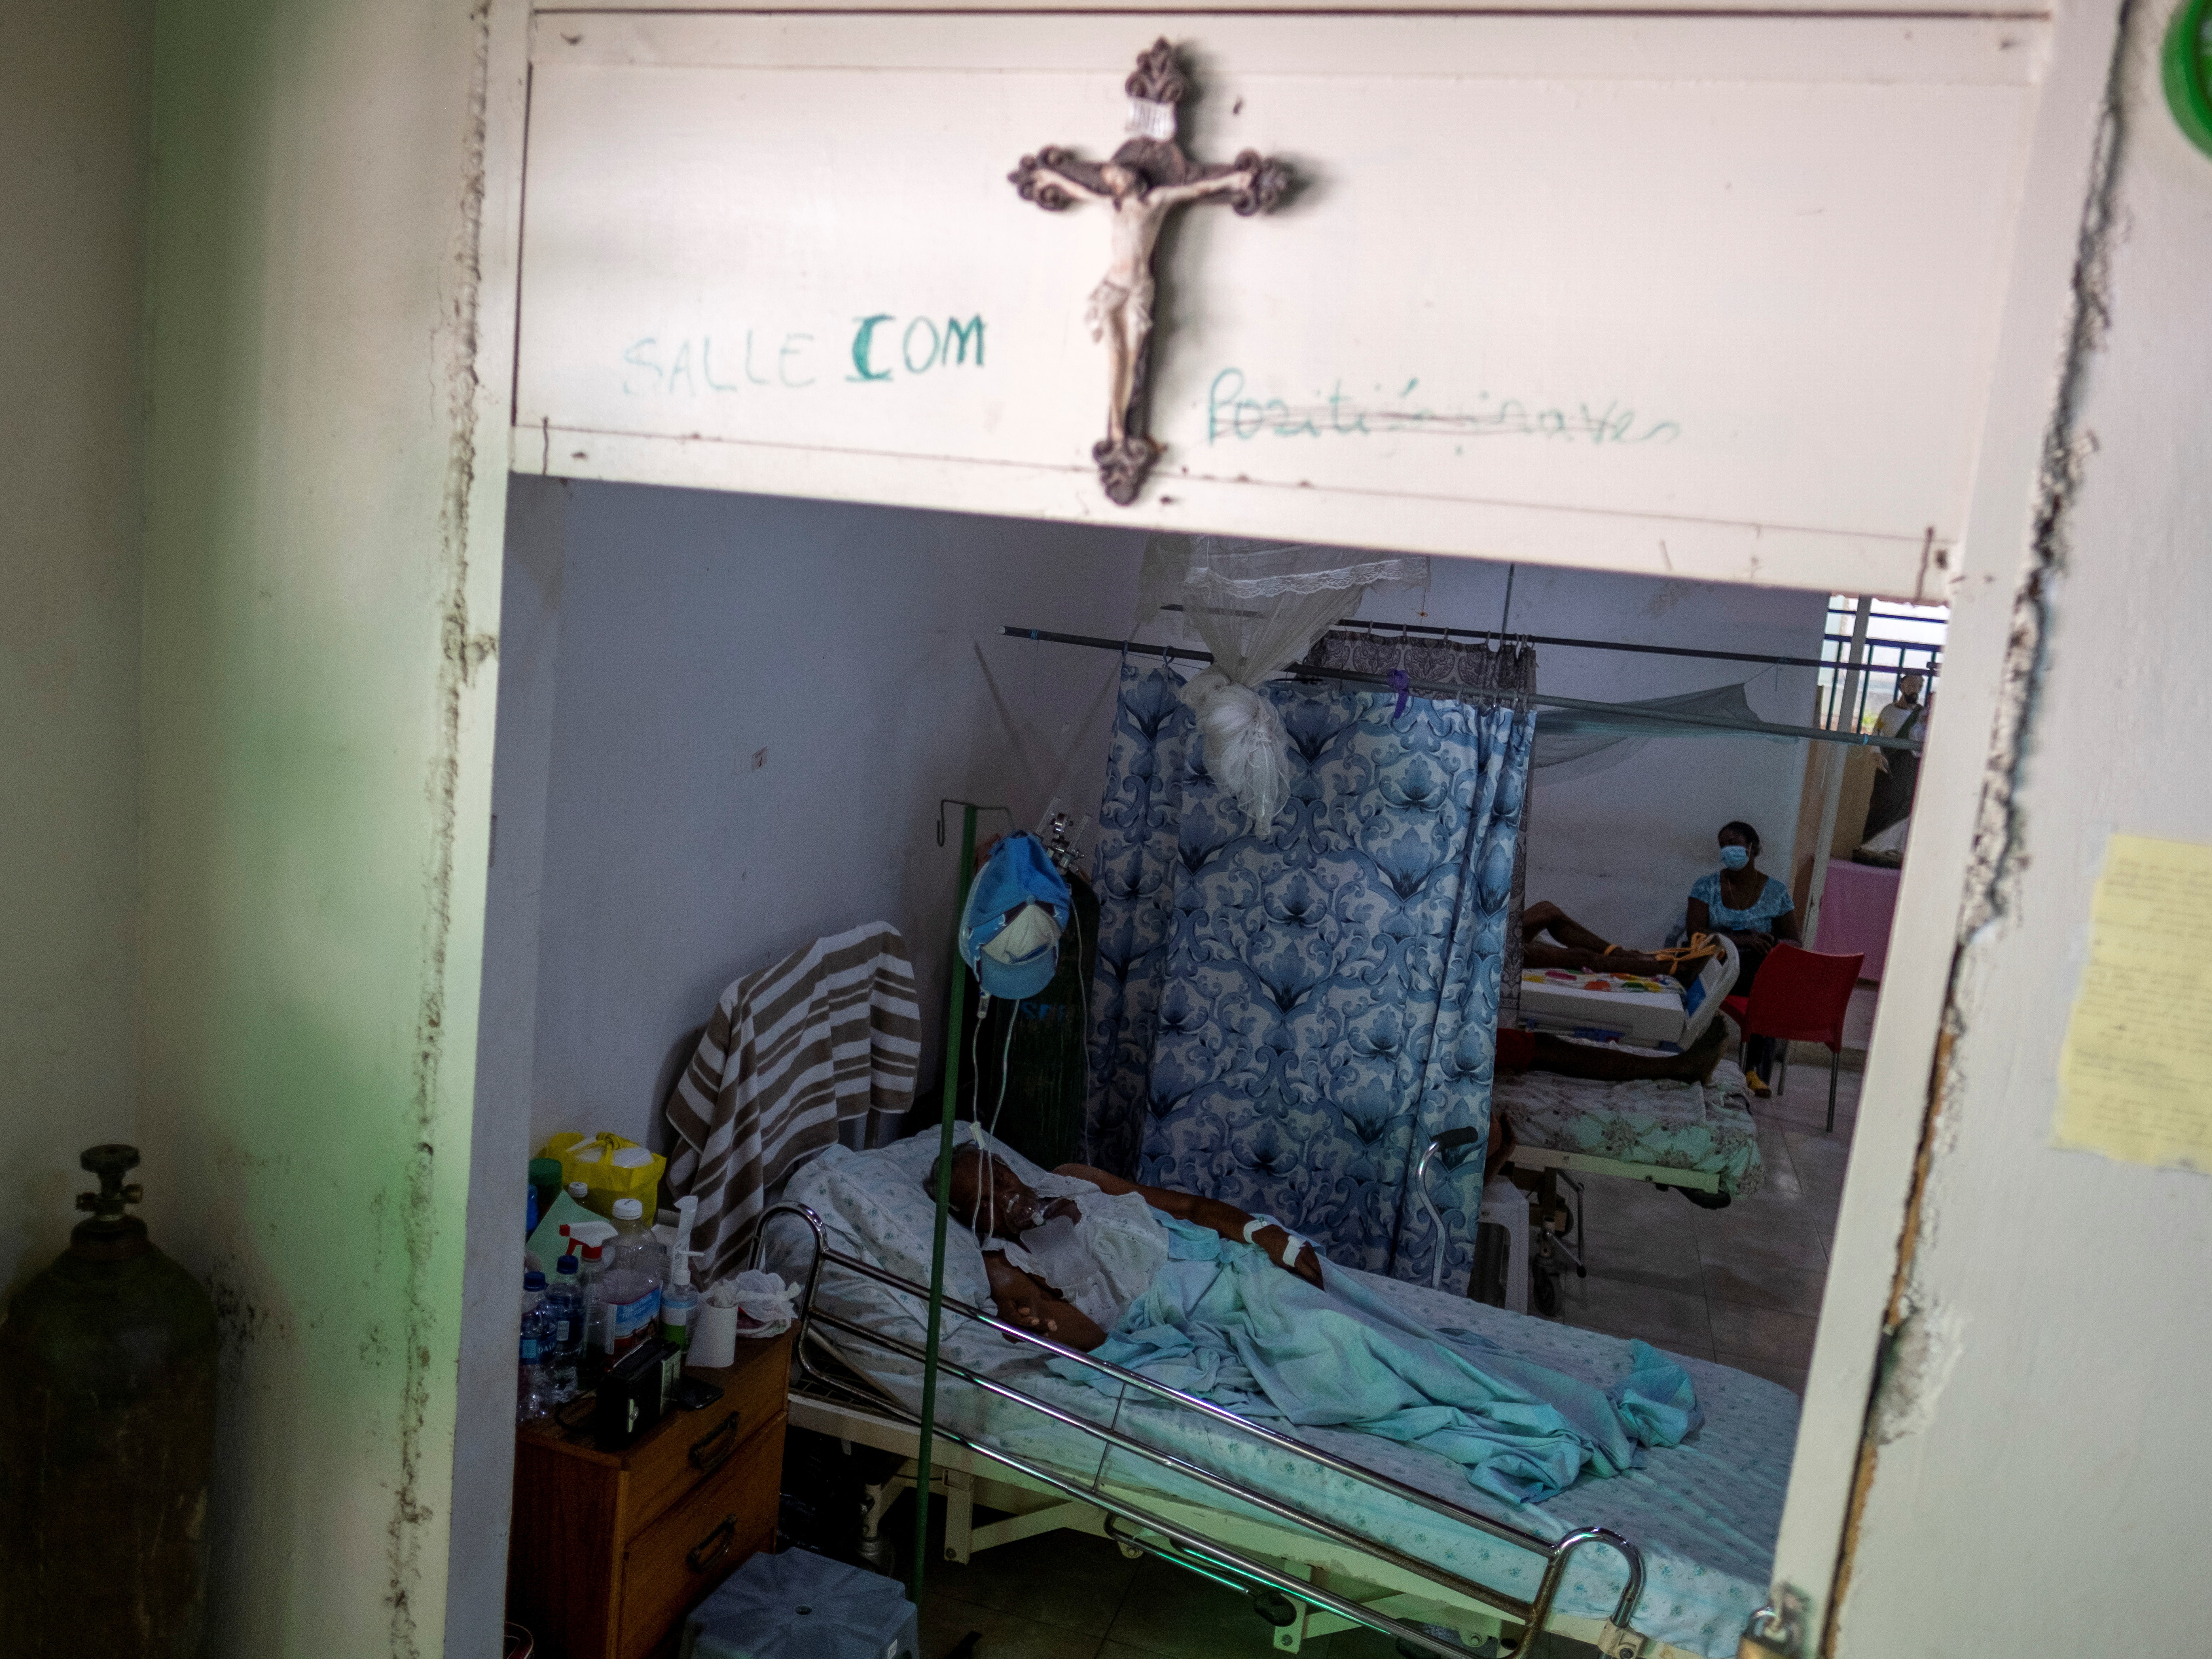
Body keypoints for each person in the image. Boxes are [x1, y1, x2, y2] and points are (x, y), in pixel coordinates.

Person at [933, 1143, 1321, 1352]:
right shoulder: (1005, 1261)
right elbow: (1080, 1333)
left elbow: (1188, 1207)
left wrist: (1263, 1233)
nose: (1006, 1198)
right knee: (1320, 1337)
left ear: (1008, 1166)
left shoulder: (1073, 1179)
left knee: (1317, 1294)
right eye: (983, 1204)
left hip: (1219, 1258)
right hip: (1178, 1307)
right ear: (966, 1218)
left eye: (1001, 1179)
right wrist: (1034, 1321)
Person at [1684, 820, 1799, 1095]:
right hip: (1716, 962)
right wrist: (1742, 940)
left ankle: (1753, 1071)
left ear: (1752, 847)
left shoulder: (1776, 893)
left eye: (1733, 843)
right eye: (1723, 845)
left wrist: (1770, 943)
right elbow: (1694, 933)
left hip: (1755, 968)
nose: (1727, 850)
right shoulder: (1706, 886)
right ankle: (1688, 1055)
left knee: (1767, 983)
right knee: (1699, 968)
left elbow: (1794, 940)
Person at [1861, 671, 1928, 844]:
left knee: (1904, 808)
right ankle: (1871, 846)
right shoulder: (1888, 711)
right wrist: (1876, 752)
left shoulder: (1922, 715)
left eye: (1919, 687)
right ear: (1902, 686)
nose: (1916, 691)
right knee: (1881, 805)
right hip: (1888, 768)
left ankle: (1894, 849)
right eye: (1912, 686)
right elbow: (1876, 733)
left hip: (1909, 771)